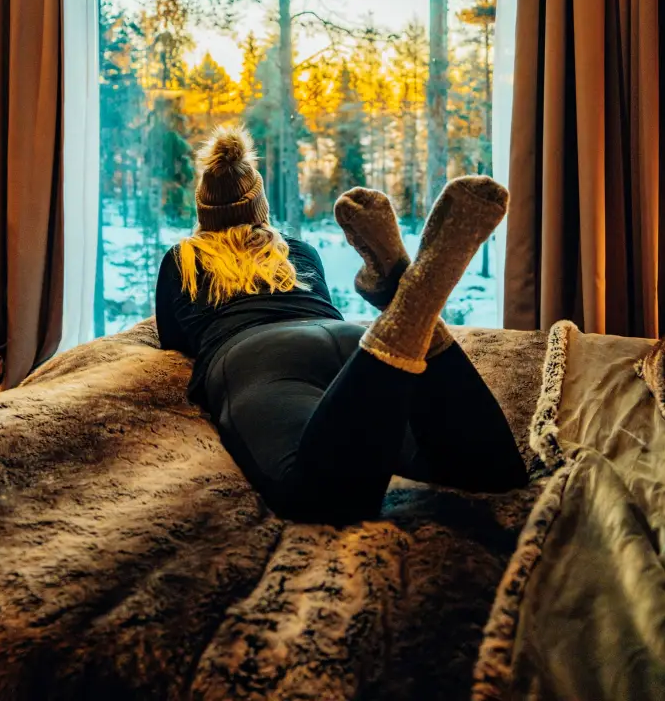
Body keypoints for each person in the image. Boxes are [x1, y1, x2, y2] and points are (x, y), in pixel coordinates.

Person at [155, 124, 527, 526]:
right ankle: (410, 302)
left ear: (203, 210)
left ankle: (413, 301)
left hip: (258, 358)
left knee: (317, 495)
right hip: (348, 341)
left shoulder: (183, 258)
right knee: (492, 471)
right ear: (260, 204)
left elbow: (174, 340)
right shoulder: (297, 250)